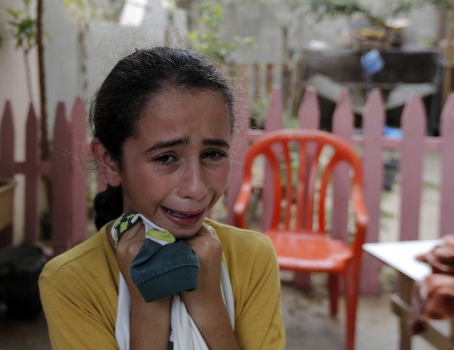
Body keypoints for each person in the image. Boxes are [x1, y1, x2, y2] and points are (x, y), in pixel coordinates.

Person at [38, 47, 285, 349]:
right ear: (110, 162)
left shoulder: (251, 258)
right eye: (166, 158)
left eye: (212, 154)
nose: (196, 188)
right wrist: (148, 305)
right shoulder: (71, 282)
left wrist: (208, 305)